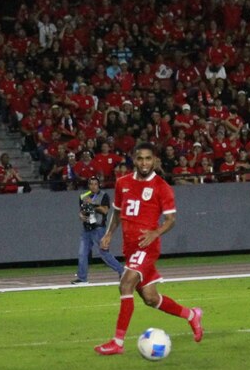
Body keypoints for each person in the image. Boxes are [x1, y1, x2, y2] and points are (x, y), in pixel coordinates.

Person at [94, 143, 204, 356]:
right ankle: (192, 315)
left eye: (148, 159)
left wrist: (155, 233)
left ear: (154, 160)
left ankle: (117, 342)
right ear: (134, 160)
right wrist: (108, 234)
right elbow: (117, 213)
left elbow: (171, 219)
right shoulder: (122, 183)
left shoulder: (161, 186)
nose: (144, 163)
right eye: (140, 158)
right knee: (150, 298)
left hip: (147, 245)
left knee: (125, 284)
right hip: (130, 247)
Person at [73, 176, 124, 285]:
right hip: (86, 228)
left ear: (98, 185)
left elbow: (105, 211)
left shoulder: (103, 195)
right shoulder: (83, 196)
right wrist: (81, 216)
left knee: (104, 253)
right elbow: (82, 211)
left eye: (95, 184)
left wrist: (93, 204)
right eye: (91, 184)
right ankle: (82, 278)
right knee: (82, 253)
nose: (93, 186)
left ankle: (122, 271)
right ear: (88, 185)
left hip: (98, 228)